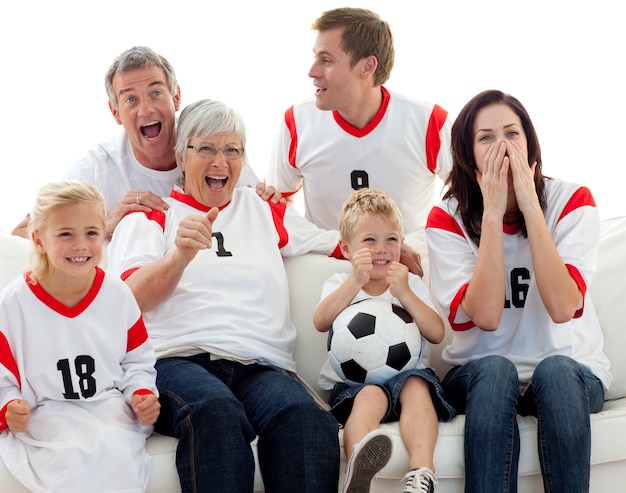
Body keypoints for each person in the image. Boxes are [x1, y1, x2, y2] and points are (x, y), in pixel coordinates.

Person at [106, 98, 342, 492]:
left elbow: (336, 243)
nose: (221, 161)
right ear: (182, 156)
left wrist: (392, 247)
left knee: (305, 416)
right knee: (216, 411)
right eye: (207, 149)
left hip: (260, 364)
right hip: (175, 360)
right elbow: (129, 299)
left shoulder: (264, 208)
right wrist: (178, 257)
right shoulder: (151, 215)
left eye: (232, 150)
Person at [425, 89, 612, 492]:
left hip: (572, 371)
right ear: (467, 154)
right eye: (486, 138)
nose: (502, 147)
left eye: (512, 133)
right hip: (479, 374)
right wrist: (493, 213)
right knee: (497, 368)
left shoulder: (572, 200)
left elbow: (564, 307)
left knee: (557, 370)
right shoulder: (446, 218)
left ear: (530, 144)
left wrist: (530, 205)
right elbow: (487, 317)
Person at [11, 46, 275, 239]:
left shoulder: (215, 148)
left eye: (156, 93)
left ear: (176, 97)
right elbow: (22, 233)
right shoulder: (97, 168)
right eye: (130, 99)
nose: (146, 109)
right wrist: (103, 224)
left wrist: (271, 201)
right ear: (115, 113)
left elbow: (265, 210)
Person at [0, 180, 160, 493]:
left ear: (104, 234)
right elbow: (3, 378)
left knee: (114, 456)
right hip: (47, 412)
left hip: (108, 408)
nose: (81, 245)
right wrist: (9, 406)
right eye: (65, 234)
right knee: (67, 462)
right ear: (39, 240)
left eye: (91, 233)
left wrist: (140, 392)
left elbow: (137, 361)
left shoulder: (117, 294)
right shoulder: (13, 304)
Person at [267, 7, 452, 240]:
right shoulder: (296, 120)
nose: (312, 72)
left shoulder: (429, 122)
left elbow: (469, 200)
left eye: (326, 60)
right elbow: (278, 200)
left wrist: (423, 246)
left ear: (367, 67)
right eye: (315, 57)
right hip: (326, 266)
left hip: (406, 268)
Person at [314, 188, 455, 493]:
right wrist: (355, 281)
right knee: (369, 398)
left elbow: (436, 332)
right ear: (346, 249)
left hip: (407, 377)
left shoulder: (410, 283)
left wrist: (405, 293)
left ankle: (421, 474)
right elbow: (320, 321)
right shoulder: (340, 283)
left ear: (401, 244)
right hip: (356, 384)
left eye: (391, 239)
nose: (381, 248)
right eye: (369, 240)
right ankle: (357, 472)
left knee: (417, 388)